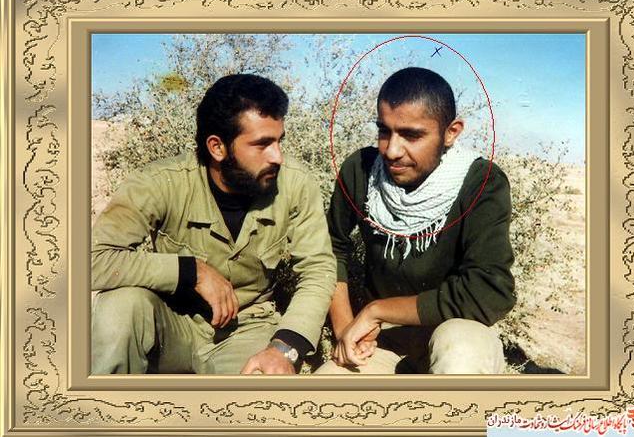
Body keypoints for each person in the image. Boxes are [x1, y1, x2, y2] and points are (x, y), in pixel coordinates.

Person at [91, 74, 336, 375]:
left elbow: (318, 269)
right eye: (262, 144)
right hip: (172, 324)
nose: (278, 157)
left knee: (266, 382)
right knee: (119, 306)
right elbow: (92, 260)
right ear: (217, 147)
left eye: (278, 141)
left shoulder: (295, 185)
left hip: (247, 328)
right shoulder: (159, 183)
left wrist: (284, 347)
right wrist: (189, 271)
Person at [316, 67, 515, 375]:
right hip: (380, 341)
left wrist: (376, 311)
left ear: (451, 132)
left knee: (461, 356)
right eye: (384, 131)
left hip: (454, 336)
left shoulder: (481, 182)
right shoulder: (362, 169)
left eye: (411, 135)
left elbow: (489, 292)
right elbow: (332, 248)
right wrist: (346, 330)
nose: (392, 151)